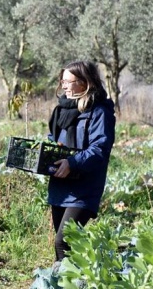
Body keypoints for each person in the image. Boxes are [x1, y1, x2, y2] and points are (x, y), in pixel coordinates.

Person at [47, 60, 116, 261]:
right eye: (63, 81)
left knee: (63, 241)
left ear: (85, 83)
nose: (64, 85)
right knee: (64, 246)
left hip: (84, 188)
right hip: (61, 186)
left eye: (69, 81)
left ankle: (65, 284)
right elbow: (54, 139)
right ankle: (66, 286)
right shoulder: (62, 109)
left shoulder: (99, 112)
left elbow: (100, 149)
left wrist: (73, 162)